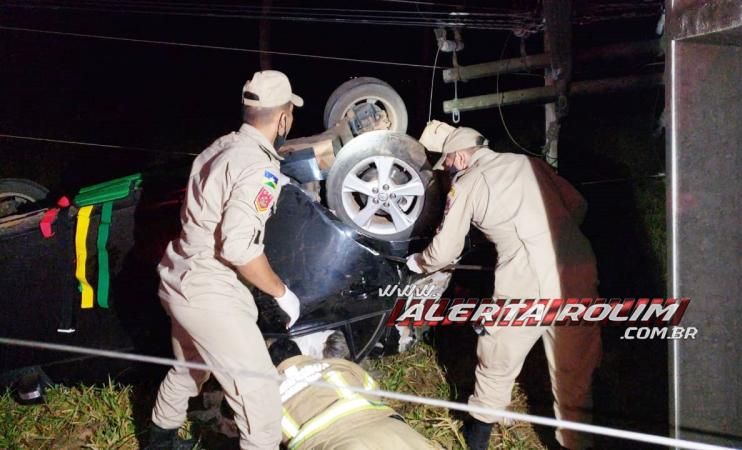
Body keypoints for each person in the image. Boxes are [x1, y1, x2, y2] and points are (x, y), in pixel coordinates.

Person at [407, 121, 602, 450]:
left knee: (497, 357)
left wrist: (418, 262)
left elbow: (444, 251)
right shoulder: (528, 162)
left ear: (461, 158)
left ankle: (477, 438)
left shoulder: (468, 182)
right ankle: (577, 442)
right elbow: (578, 205)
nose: (449, 173)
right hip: (579, 265)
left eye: (448, 164)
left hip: (528, 279)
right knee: (575, 367)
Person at [147, 70, 304, 450]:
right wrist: (281, 293)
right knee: (260, 396)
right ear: (283, 119)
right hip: (208, 288)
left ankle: (158, 442)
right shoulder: (261, 168)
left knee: (190, 367)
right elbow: (239, 249)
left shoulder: (219, 147)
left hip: (179, 272)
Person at [268, 338, 437, 450]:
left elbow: (264, 437)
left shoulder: (265, 395)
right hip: (392, 432)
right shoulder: (337, 365)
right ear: (300, 353)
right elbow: (373, 390)